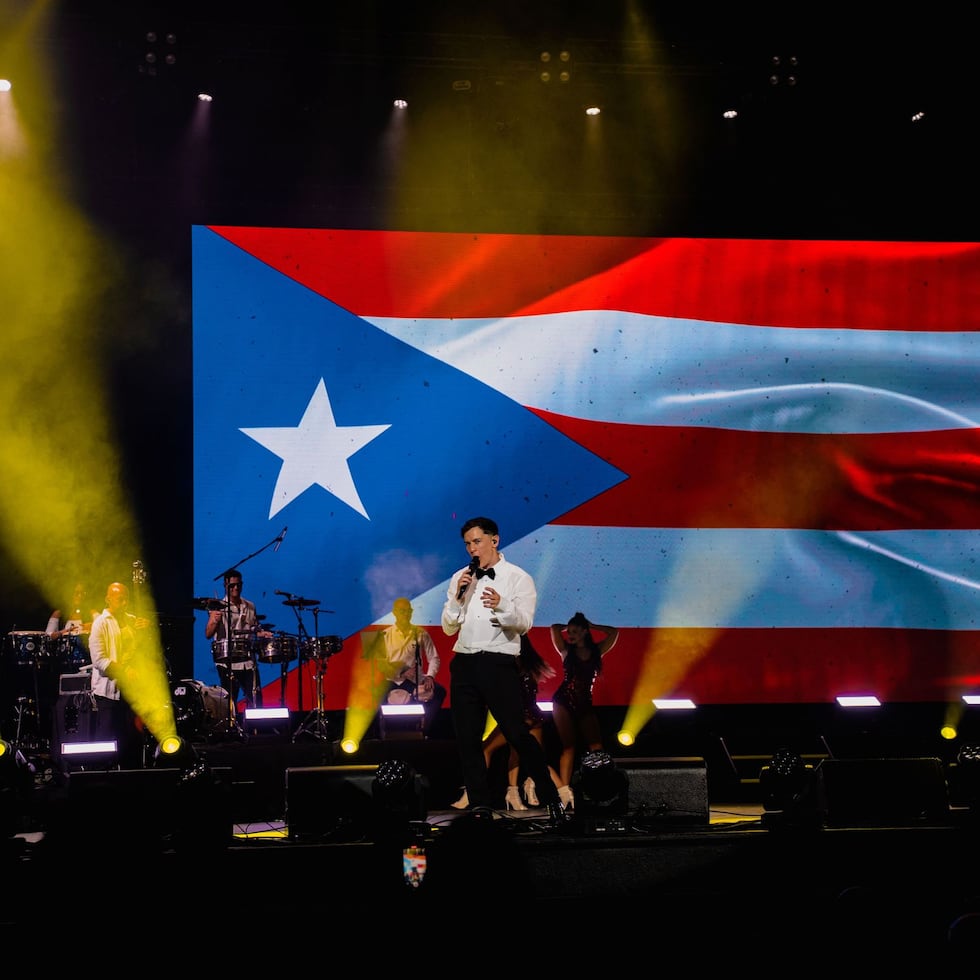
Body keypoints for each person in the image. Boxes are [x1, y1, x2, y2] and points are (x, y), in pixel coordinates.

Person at [441, 516, 567, 825]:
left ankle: (553, 800)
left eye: (477, 541)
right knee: (468, 739)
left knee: (517, 733)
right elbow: (447, 627)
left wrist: (501, 606)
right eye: (468, 544)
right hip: (465, 663)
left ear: (494, 541)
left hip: (498, 664)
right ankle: (481, 806)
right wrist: (459, 597)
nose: (473, 548)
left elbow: (523, 623)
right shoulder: (461, 577)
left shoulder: (517, 578)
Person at [451, 632, 563, 811]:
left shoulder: (509, 666)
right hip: (535, 717)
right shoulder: (528, 663)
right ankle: (555, 795)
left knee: (487, 749)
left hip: (522, 717)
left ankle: (473, 795)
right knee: (523, 754)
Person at [549, 611, 620, 811]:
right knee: (569, 746)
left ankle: (599, 788)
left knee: (596, 746)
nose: (569, 635)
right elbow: (554, 628)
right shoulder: (565, 650)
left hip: (584, 703)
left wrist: (592, 625)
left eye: (574, 631)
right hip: (563, 701)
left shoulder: (597, 650)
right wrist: (569, 626)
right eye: (569, 631)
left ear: (584, 632)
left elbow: (614, 632)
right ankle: (564, 792)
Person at [87, 581, 150, 769]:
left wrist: (146, 632)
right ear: (108, 599)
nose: (124, 603)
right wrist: (124, 670)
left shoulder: (131, 620)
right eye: (120, 599)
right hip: (109, 693)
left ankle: (133, 776)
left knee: (133, 739)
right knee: (107, 740)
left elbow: (143, 651)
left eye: (126, 599)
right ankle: (102, 781)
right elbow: (99, 660)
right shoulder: (100, 623)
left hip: (132, 691)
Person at [373, 596, 446, 735]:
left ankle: (425, 730)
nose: (405, 614)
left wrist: (430, 676)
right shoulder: (385, 635)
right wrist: (402, 671)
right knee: (373, 697)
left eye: (408, 611)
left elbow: (434, 657)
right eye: (402, 611)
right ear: (394, 612)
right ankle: (380, 736)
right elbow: (381, 664)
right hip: (391, 680)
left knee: (439, 691)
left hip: (415, 680)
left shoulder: (420, 633)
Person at [204, 569, 270, 708]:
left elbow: (253, 629)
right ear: (225, 586)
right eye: (232, 586)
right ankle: (232, 728)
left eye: (238, 585)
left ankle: (255, 729)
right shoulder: (218, 607)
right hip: (227, 661)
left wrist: (262, 634)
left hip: (248, 661)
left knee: (256, 701)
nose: (236, 588)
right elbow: (208, 634)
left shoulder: (250, 606)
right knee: (229, 704)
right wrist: (214, 621)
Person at [45, 581, 98, 670]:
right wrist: (65, 631)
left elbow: (105, 624)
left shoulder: (91, 612)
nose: (80, 596)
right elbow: (48, 636)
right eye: (77, 593)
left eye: (82, 593)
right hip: (64, 659)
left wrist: (94, 625)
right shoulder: (59, 614)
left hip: (87, 659)